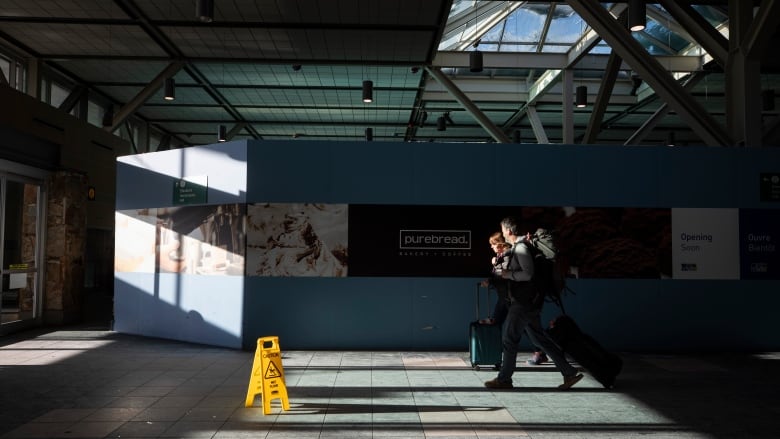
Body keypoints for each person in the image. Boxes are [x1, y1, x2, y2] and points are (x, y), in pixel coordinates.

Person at [484, 216, 583, 390]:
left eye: (503, 229)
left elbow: (528, 274)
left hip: (523, 302)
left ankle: (504, 379)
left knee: (509, 338)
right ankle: (569, 372)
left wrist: (509, 275)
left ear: (508, 230)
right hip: (530, 302)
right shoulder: (519, 246)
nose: (503, 233)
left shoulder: (521, 248)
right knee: (540, 340)